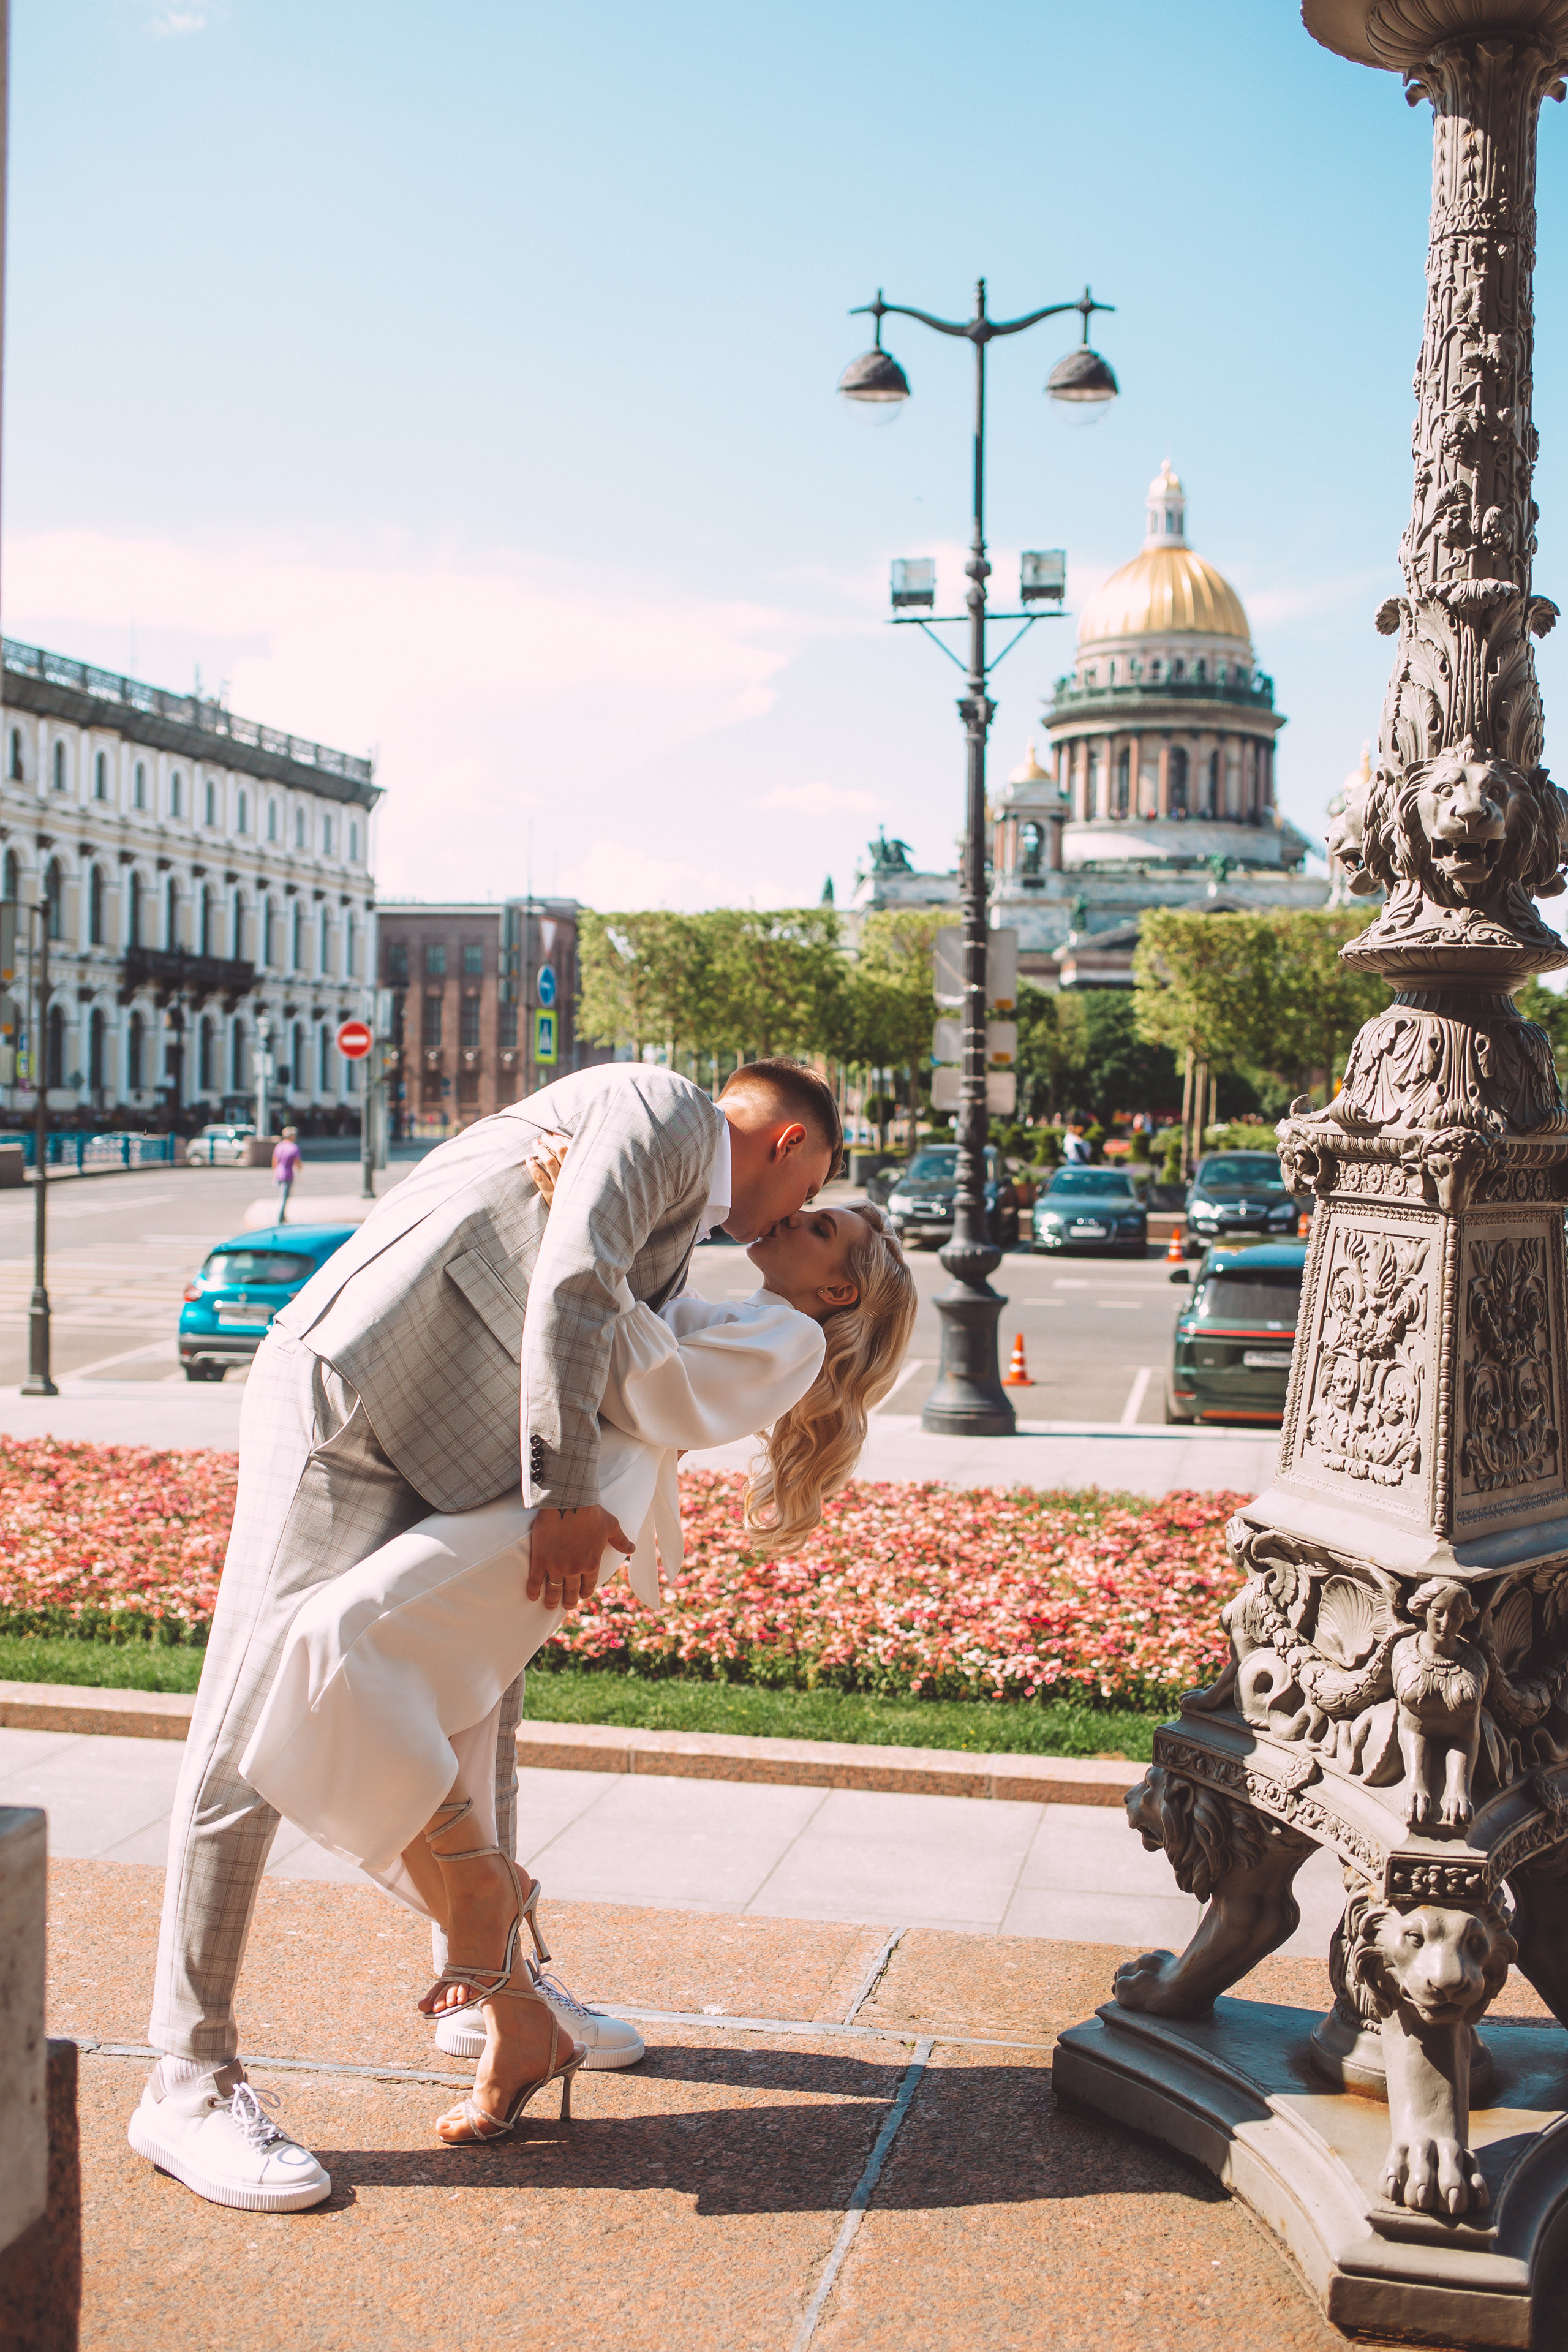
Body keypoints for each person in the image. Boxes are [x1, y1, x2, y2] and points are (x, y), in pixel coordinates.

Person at [129, 1057, 843, 2212]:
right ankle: (186, 2075)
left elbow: (611, 1317)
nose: (778, 1222)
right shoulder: (664, 1113)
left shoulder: (679, 1217)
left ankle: (504, 2003)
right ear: (791, 1144)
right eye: (807, 1194)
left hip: (451, 1447)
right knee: (242, 1731)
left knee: (476, 1719)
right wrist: (562, 1498)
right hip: (360, 1407)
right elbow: (569, 1287)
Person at [239, 1156, 916, 2147]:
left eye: (821, 1228)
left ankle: (484, 1896)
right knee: (376, 1689)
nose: (796, 1219)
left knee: (336, 1642)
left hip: (568, 1519)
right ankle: (516, 2008)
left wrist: (586, 1233)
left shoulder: (794, 1338)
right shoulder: (760, 1316)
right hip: (554, 1508)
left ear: (839, 1288)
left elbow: (662, 1395)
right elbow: (619, 1341)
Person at [270, 1126, 301, 1223]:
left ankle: (283, 1216)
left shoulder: (279, 1146)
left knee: (283, 1194)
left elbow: (274, 1161)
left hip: (278, 1172)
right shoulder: (293, 1147)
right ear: (292, 1136)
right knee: (284, 1197)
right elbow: (298, 1163)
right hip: (287, 1173)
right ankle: (280, 1217)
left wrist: (274, 1174)